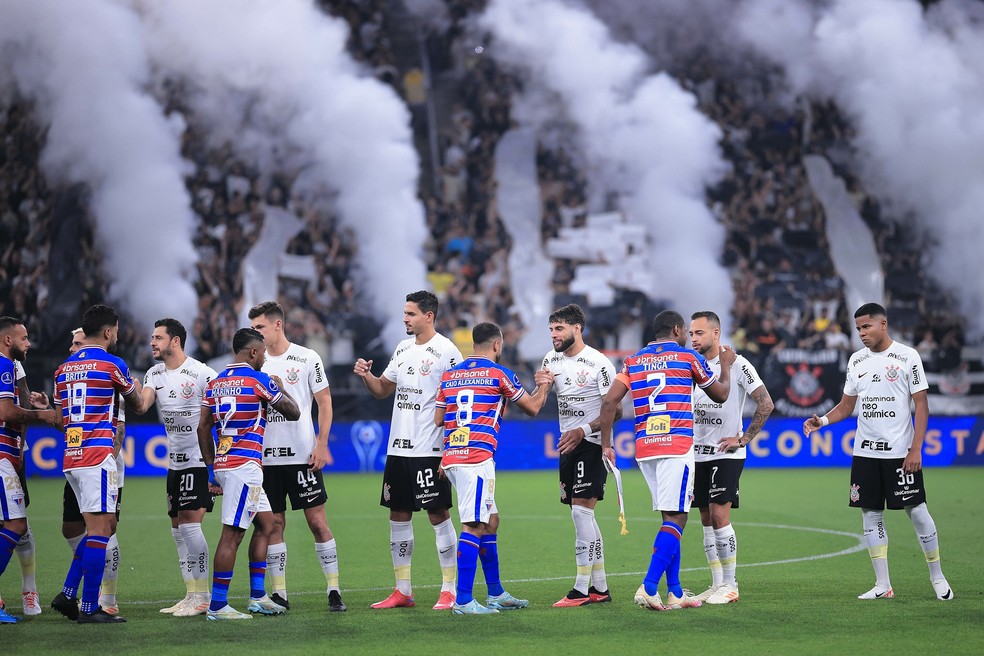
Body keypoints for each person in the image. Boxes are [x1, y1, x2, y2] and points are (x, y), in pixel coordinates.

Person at [803, 303, 953, 601]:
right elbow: (847, 406)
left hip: (900, 453)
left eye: (866, 327)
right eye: (858, 328)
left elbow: (921, 406)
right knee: (870, 515)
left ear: (883, 324)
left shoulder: (907, 356)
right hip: (865, 453)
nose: (861, 333)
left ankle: (937, 576)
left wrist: (916, 448)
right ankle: (883, 585)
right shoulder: (856, 361)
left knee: (918, 511)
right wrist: (822, 420)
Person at [599, 310, 734, 611]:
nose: (688, 335)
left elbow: (609, 402)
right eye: (686, 330)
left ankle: (674, 592)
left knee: (669, 517)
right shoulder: (687, 358)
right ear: (676, 330)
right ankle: (648, 586)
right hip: (677, 445)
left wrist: (606, 444)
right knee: (679, 517)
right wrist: (725, 365)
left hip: (646, 448)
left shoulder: (633, 361)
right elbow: (722, 394)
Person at [354, 290, 463, 610]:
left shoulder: (447, 351)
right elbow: (382, 390)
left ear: (429, 316)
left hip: (430, 447)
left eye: (411, 314)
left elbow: (457, 403)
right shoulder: (402, 349)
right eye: (404, 313)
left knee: (437, 514)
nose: (405, 318)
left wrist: (450, 451)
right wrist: (366, 376)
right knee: (398, 514)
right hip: (398, 449)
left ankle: (449, 589)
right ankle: (403, 590)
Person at [434, 322, 553, 614]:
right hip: (475, 458)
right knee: (474, 525)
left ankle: (496, 593)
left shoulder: (450, 376)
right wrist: (545, 385)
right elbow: (533, 407)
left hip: (453, 456)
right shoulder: (499, 374)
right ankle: (463, 600)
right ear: (497, 345)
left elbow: (439, 419)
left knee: (491, 520)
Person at [49, 304, 151, 624]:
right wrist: (133, 386)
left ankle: (67, 595)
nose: (118, 337)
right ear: (108, 332)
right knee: (99, 532)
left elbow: (59, 418)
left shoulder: (62, 369)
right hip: (97, 457)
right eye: (117, 332)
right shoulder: (112, 363)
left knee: (101, 528)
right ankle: (90, 607)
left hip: (71, 457)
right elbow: (136, 405)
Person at [246, 302, 344, 612]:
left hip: (303, 456)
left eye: (259, 327)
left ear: (277, 325)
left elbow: (324, 402)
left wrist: (322, 443)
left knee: (318, 523)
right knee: (273, 525)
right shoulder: (253, 363)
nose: (255, 333)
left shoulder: (306, 357)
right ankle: (280, 594)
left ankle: (334, 589)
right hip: (265, 459)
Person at [198, 327, 301, 620]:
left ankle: (258, 596)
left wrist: (210, 468)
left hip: (225, 464)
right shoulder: (259, 380)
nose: (265, 358)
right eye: (264, 353)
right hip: (244, 467)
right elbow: (294, 412)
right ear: (253, 352)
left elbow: (203, 427)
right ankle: (217, 605)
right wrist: (281, 388)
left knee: (267, 525)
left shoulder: (215, 382)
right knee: (232, 533)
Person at [689, 311, 774, 604]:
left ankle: (731, 583)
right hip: (695, 454)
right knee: (705, 518)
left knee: (719, 514)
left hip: (726, 453)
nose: (693, 338)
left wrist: (743, 439)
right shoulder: (691, 364)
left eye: (699, 333)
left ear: (716, 333)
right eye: (691, 333)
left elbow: (765, 402)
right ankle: (715, 584)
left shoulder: (738, 363)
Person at [540, 304, 619, 607]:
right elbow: (542, 398)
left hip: (591, 443)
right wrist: (542, 386)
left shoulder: (598, 363)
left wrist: (584, 430)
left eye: (559, 329)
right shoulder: (550, 360)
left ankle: (581, 589)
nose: (553, 335)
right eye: (551, 330)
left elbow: (617, 409)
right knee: (584, 515)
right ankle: (600, 587)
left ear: (577, 328)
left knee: (580, 512)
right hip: (567, 444)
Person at [138, 318, 217, 616]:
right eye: (152, 337)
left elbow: (218, 416)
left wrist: (215, 465)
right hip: (174, 463)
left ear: (175, 341)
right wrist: (127, 388)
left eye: (158, 337)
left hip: (199, 460)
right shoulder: (154, 373)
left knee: (190, 524)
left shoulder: (201, 373)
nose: (152, 343)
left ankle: (204, 597)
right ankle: (191, 593)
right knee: (177, 529)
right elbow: (143, 405)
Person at [0, 317, 59, 624]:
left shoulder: (12, 368)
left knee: (16, 523)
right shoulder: (5, 366)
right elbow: (8, 411)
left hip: (10, 455)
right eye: (23, 339)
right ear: (8, 340)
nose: (29, 344)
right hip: (2, 457)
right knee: (16, 525)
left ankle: (28, 591)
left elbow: (15, 403)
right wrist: (44, 414)